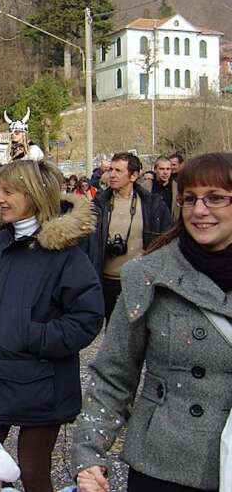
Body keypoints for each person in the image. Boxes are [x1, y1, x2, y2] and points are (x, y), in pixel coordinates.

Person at [72, 152, 232, 492]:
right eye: (190, 199)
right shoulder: (147, 276)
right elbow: (113, 375)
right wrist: (88, 456)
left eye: (216, 198)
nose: (200, 211)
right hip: (164, 464)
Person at [0, 160, 103, 492]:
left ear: (35, 195)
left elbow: (87, 319)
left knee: (33, 472)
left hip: (40, 385)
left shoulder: (65, 253)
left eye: (9, 191)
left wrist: (30, 335)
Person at [91, 152, 172, 323]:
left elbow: (167, 241)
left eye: (118, 171)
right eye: (111, 169)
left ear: (134, 176)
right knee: (112, 332)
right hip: (105, 282)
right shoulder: (98, 205)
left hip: (139, 282)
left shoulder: (153, 205)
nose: (112, 175)